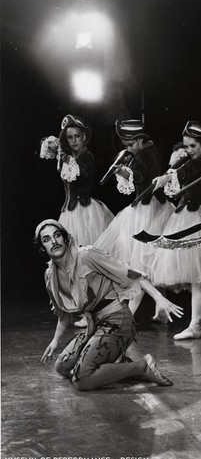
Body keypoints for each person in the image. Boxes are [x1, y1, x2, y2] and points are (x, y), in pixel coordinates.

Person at [35, 219, 184, 391]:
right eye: (46, 239)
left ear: (65, 238)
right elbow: (64, 315)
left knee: (81, 380)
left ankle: (142, 366)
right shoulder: (50, 275)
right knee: (62, 366)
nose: (54, 241)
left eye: (57, 235)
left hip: (117, 320)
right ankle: (114, 364)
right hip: (94, 325)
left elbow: (129, 272)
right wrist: (55, 341)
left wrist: (159, 298)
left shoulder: (86, 255)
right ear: (42, 248)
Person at [151, 121, 201, 339]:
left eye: (193, 146)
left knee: (199, 276)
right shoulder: (195, 160)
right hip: (187, 216)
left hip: (197, 219)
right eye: (187, 146)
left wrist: (168, 176)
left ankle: (195, 325)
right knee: (200, 277)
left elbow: (188, 172)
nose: (189, 151)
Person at [94, 120, 175, 318]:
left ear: (140, 140)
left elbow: (141, 177)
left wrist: (123, 171)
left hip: (148, 210)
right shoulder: (150, 150)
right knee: (149, 260)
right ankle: (159, 309)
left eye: (130, 145)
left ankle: (128, 315)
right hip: (150, 207)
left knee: (139, 264)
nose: (129, 149)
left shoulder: (145, 154)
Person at [40, 115, 114, 328]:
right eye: (70, 137)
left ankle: (91, 311)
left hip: (86, 212)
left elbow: (81, 174)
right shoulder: (69, 156)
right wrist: (57, 148)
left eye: (77, 137)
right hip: (70, 212)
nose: (74, 141)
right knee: (71, 262)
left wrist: (66, 158)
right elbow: (53, 151)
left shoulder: (85, 157)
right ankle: (78, 306)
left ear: (84, 138)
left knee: (84, 262)